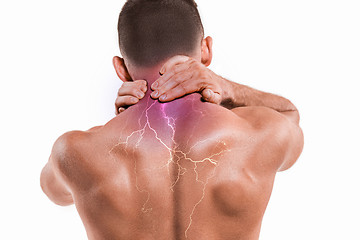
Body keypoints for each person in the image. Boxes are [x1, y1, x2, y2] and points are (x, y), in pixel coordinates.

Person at [40, 0, 304, 239]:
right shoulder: (258, 133)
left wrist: (119, 123)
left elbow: (52, 190)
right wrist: (227, 88)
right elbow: (291, 114)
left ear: (120, 69)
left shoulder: (75, 152)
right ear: (206, 50)